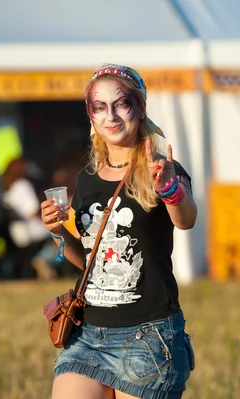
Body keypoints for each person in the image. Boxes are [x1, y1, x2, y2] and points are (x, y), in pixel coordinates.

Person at [40, 64, 197, 399]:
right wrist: (56, 231)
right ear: (91, 117)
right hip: (87, 336)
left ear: (140, 109)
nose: (110, 116)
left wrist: (170, 189)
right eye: (99, 107)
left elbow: (186, 220)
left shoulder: (163, 169)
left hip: (147, 339)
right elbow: (87, 262)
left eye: (121, 104)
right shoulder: (86, 179)